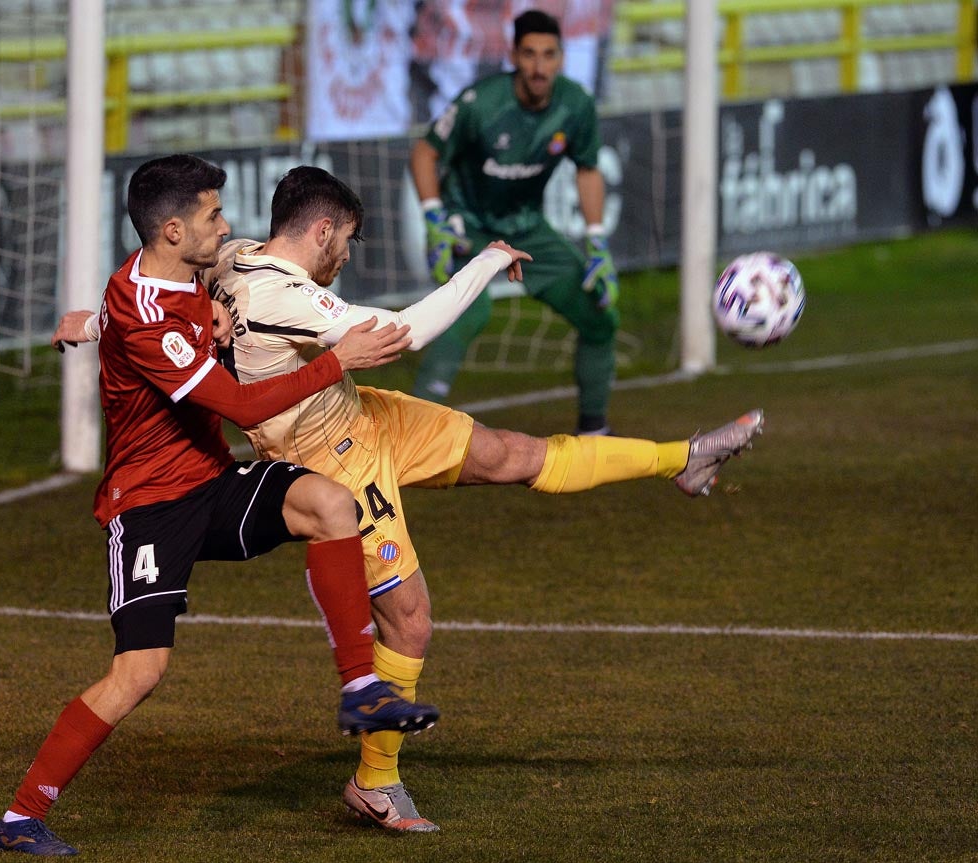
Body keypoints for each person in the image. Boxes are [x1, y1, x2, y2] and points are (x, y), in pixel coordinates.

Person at [53, 165, 764, 835]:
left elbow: (153, 298)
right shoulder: (279, 292)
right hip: (329, 458)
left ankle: (684, 458)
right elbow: (408, 331)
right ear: (323, 232)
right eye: (348, 242)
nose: (347, 258)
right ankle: (375, 780)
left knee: (510, 452)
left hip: (359, 413)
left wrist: (88, 325)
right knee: (410, 621)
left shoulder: (229, 255)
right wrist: (485, 263)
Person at [0, 155, 441, 857]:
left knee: (330, 503)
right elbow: (237, 402)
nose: (225, 226)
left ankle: (361, 688)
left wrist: (86, 324)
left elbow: (141, 321)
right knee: (140, 672)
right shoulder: (146, 317)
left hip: (211, 479)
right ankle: (19, 817)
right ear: (171, 230)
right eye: (212, 215)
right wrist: (334, 360)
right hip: (151, 508)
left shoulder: (183, 275)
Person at [410, 8, 619, 435]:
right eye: (529, 55)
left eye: (548, 55)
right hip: (468, 224)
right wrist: (435, 218)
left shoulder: (575, 105)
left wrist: (597, 242)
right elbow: (424, 152)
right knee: (470, 312)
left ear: (561, 57)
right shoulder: (480, 103)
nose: (539, 67)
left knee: (599, 315)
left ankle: (594, 430)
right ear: (513, 56)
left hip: (527, 230)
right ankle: (407, 430)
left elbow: (588, 168)